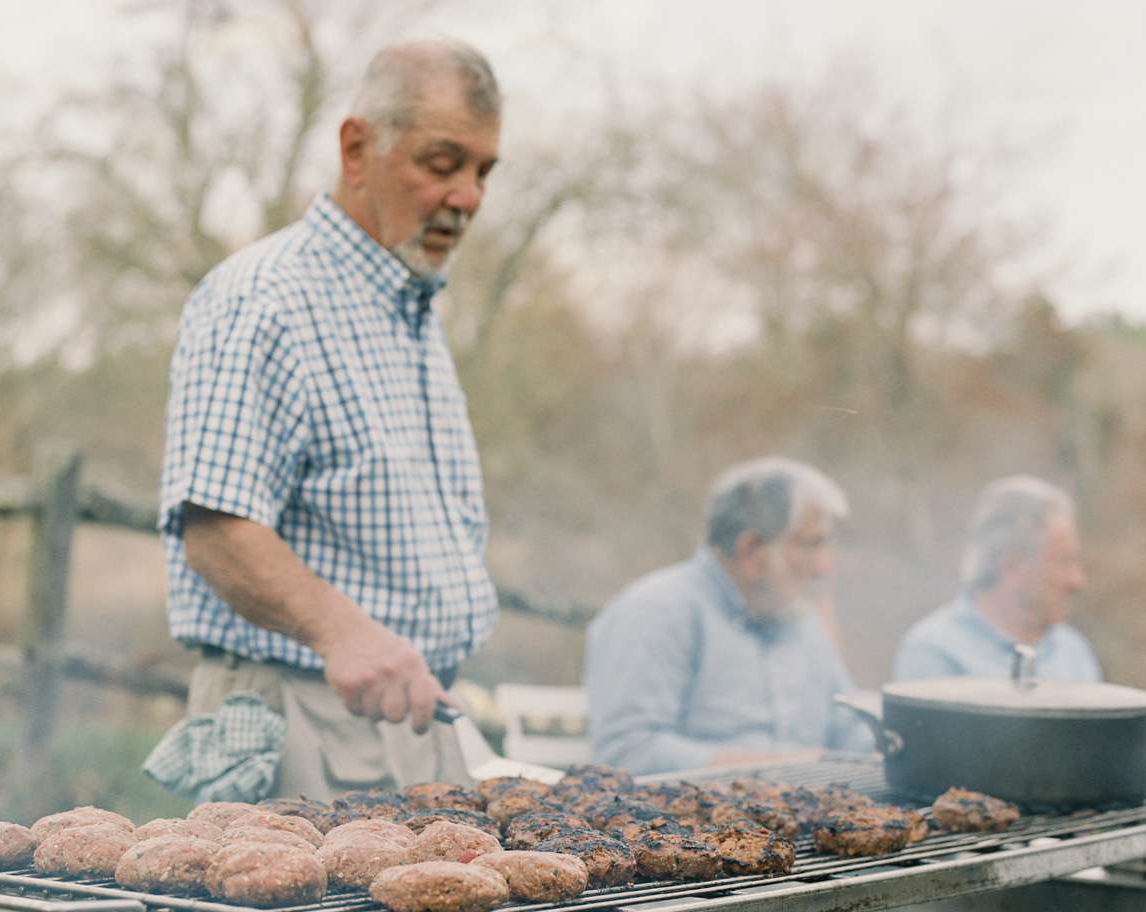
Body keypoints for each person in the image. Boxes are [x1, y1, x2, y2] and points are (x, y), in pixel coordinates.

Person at [157, 40, 503, 799]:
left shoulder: (413, 304)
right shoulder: (266, 297)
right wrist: (343, 631)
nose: (468, 196)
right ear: (357, 149)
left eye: (483, 171)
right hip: (303, 718)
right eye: (442, 164)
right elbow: (216, 525)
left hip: (418, 725)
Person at [584, 457, 870, 775]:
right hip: (689, 821)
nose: (824, 567)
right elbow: (626, 754)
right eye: (811, 545)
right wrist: (795, 769)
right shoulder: (654, 612)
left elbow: (854, 735)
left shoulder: (801, 617)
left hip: (811, 815)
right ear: (751, 550)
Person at [894, 475, 1099, 681]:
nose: (1077, 581)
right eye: (1063, 562)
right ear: (1012, 567)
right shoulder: (936, 653)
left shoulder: (1073, 652)